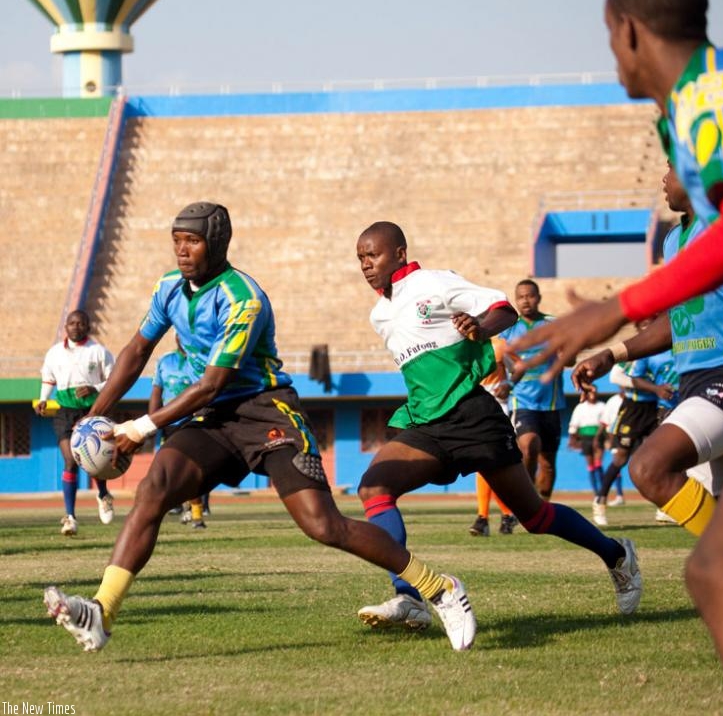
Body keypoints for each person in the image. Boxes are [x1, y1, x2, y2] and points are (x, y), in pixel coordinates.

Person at [512, 0, 723, 711]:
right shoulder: (701, 104)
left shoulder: (714, 92)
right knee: (722, 570)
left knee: (722, 564)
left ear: (625, 32)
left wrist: (615, 309)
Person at [43, 202, 476, 653]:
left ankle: (439, 587)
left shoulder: (243, 297)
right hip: (212, 421)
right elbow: (136, 351)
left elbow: (213, 383)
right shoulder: (168, 288)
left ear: (216, 243)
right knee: (155, 488)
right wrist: (96, 413)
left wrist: (140, 427)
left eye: (191, 241)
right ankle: (101, 612)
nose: (182, 251)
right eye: (176, 241)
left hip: (266, 412)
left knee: (323, 525)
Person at [354, 221, 642, 633]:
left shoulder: (434, 282)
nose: (366, 265)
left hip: (473, 416)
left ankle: (616, 555)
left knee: (535, 516)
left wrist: (479, 327)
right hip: (425, 419)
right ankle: (409, 595)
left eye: (373, 255)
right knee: (374, 488)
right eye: (361, 258)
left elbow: (502, 309)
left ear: (399, 253)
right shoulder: (379, 313)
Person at [35, 309, 115, 535]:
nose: (76, 326)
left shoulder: (98, 352)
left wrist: (94, 388)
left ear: (88, 327)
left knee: (93, 459)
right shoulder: (54, 354)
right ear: (65, 327)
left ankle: (103, 495)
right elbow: (48, 378)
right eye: (72, 323)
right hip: (65, 412)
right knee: (70, 460)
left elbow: (113, 380)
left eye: (81, 323)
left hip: (92, 410)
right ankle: (70, 517)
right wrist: (43, 399)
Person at [591, 347, 678, 526]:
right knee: (620, 458)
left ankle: (664, 508)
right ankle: (599, 501)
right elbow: (615, 377)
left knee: (662, 457)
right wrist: (654, 388)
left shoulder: (669, 352)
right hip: (634, 408)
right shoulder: (637, 351)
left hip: (656, 408)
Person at [496, 279, 565, 500]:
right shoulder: (508, 329)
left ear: (538, 298)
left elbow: (568, 355)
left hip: (551, 402)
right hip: (522, 401)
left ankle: (543, 505)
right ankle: (526, 500)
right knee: (528, 446)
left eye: (530, 295)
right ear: (516, 300)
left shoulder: (552, 324)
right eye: (521, 296)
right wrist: (505, 383)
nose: (525, 300)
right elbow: (500, 358)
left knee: (549, 464)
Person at [148, 335, 209, 527]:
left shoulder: (203, 362)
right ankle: (179, 507)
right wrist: (151, 421)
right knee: (168, 468)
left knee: (193, 468)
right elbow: (157, 392)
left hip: (193, 422)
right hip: (169, 423)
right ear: (176, 337)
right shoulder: (165, 361)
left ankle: (197, 513)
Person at [469, 335, 518, 536]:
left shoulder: (500, 345)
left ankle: (484, 518)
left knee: (486, 463)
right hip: (474, 411)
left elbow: (519, 367)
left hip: (499, 411)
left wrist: (508, 385)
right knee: (485, 465)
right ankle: (506, 514)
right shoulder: (464, 345)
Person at [567, 388, 606, 500]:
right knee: (591, 465)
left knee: (598, 463)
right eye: (590, 392)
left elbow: (605, 422)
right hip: (585, 437)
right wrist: (572, 438)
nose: (592, 394)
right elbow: (574, 423)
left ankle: (603, 491)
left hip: (598, 437)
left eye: (594, 392)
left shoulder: (602, 406)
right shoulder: (580, 407)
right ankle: (596, 493)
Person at [599, 389, 626, 505]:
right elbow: (606, 422)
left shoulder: (634, 399)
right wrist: (609, 440)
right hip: (616, 435)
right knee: (617, 463)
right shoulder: (612, 401)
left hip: (633, 433)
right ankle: (614, 495)